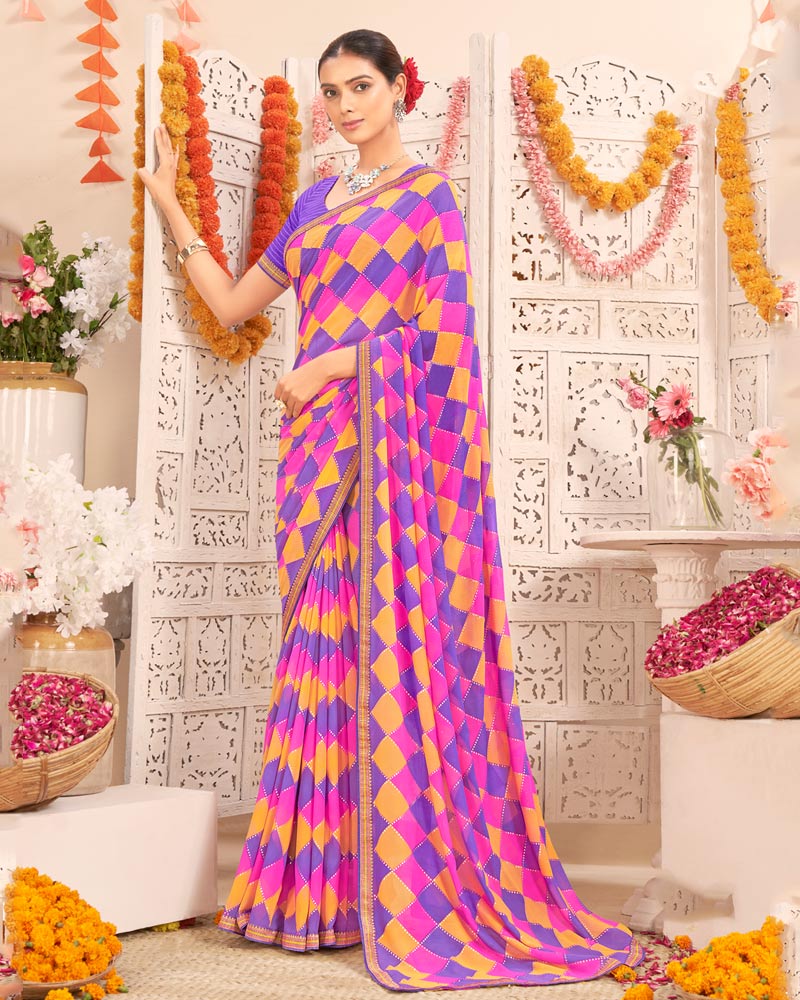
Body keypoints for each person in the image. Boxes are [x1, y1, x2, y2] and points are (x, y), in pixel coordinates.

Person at [138, 28, 642, 992]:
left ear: (400, 89)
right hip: (316, 455)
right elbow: (235, 306)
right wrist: (170, 202)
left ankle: (403, 886)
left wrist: (336, 361)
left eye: (361, 86)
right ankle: (313, 894)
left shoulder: (427, 198)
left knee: (383, 656)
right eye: (331, 91)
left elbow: (445, 342)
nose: (344, 106)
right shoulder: (316, 203)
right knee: (319, 659)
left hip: (387, 456)